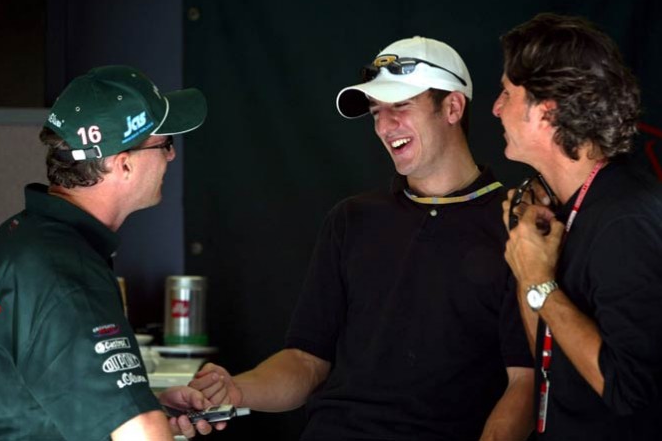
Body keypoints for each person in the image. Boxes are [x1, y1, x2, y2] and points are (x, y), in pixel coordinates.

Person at [191, 36, 535, 440]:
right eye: (376, 112)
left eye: (401, 107)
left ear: (453, 107)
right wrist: (236, 390)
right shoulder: (352, 220)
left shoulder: (517, 225)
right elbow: (306, 359)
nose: (385, 126)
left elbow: (524, 381)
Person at [0, 65, 220, 440]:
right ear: (124, 164)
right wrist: (142, 420)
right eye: (165, 144)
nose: (171, 157)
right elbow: (143, 434)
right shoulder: (66, 274)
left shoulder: (14, 241)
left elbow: (27, 392)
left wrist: (138, 404)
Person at [492, 13, 662, 440]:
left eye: (507, 93)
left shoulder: (628, 219)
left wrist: (539, 282)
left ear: (547, 112)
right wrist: (527, 258)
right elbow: (551, 364)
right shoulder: (569, 207)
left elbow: (626, 390)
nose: (496, 108)